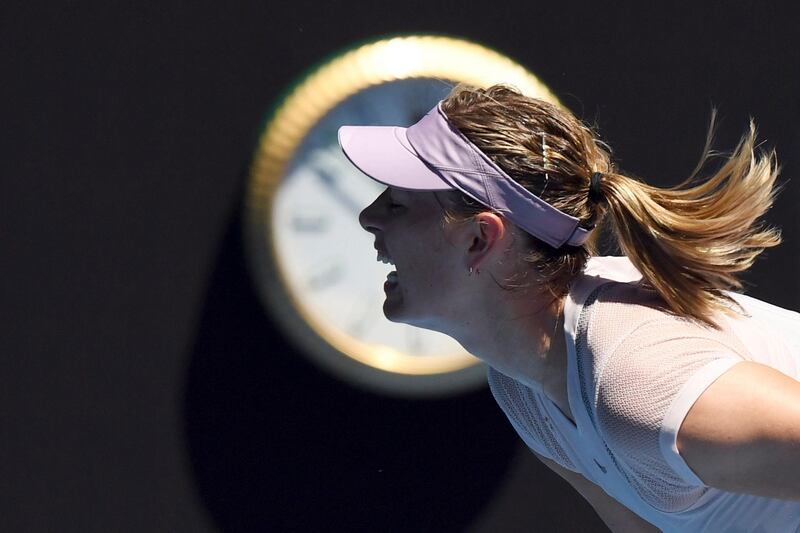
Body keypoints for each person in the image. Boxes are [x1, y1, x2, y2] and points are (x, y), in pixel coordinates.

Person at [337, 83, 800, 532]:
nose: (368, 217)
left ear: (481, 238)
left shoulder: (639, 379)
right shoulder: (523, 389)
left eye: (397, 203)